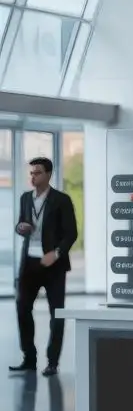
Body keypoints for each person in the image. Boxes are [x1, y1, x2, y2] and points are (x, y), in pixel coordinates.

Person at [10, 158, 78, 377]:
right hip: (29, 262)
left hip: (53, 265)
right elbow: (21, 224)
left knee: (56, 313)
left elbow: (71, 233)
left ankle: (53, 362)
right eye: (31, 173)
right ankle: (29, 358)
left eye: (37, 173)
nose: (33, 177)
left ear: (48, 174)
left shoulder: (62, 200)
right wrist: (21, 227)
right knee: (22, 308)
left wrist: (56, 254)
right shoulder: (25, 198)